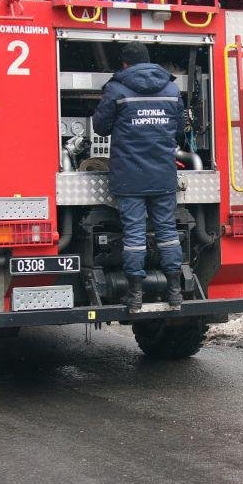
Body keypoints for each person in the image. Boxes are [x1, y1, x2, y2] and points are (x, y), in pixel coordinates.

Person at [91, 41, 186, 312]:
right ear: (149, 61)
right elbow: (179, 127)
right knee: (167, 233)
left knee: (134, 234)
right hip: (163, 176)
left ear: (124, 64)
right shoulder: (170, 88)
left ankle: (134, 296)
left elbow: (100, 127)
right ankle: (175, 293)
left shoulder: (117, 88)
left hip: (129, 178)